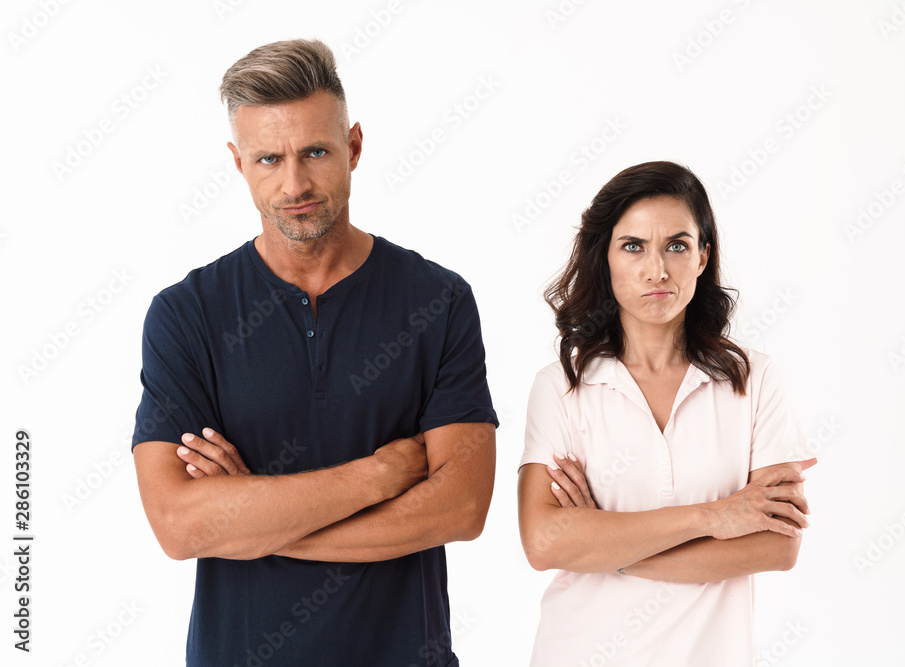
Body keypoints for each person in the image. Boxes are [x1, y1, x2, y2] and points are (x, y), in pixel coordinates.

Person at [131, 39, 498, 666]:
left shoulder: (437, 300)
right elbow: (180, 525)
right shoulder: (186, 313)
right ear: (238, 163)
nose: (294, 183)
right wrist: (376, 477)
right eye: (268, 158)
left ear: (353, 147)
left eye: (316, 152)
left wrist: (254, 520)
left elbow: (461, 508)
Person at [517, 161, 816, 666]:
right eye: (633, 245)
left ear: (703, 256)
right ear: (604, 258)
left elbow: (776, 546)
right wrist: (714, 517)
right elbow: (544, 542)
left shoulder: (756, 380)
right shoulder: (561, 387)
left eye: (677, 245)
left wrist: (604, 545)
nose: (657, 269)